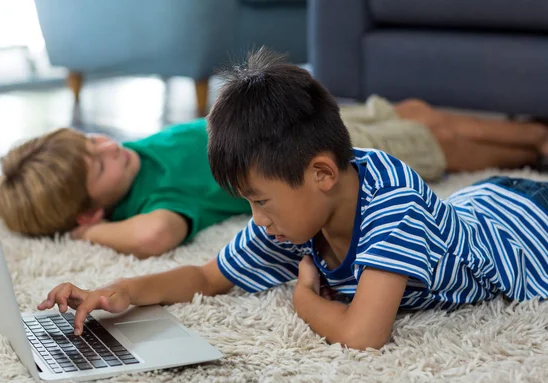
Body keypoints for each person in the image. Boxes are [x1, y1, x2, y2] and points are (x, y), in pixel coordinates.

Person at [37, 49, 548, 350]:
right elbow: (206, 276)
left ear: (322, 173)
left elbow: (364, 336)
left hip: (523, 224)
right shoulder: (297, 216)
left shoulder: (395, 206)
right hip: (480, 202)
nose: (257, 221)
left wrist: (302, 298)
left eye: (260, 203)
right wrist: (119, 290)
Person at [0, 120, 252, 259]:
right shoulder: (155, 197)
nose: (109, 147)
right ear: (89, 213)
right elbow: (154, 235)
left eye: (91, 141)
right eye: (100, 167)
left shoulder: (124, 165)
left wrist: (13, 195)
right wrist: (87, 232)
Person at [338, 95, 548, 181]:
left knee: (411, 110)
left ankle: (537, 133)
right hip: (323, 145)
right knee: (430, 138)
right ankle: (535, 147)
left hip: (314, 118)